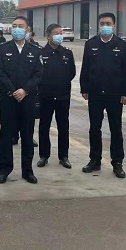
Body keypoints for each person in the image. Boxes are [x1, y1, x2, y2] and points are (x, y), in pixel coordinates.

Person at [79, 12, 126, 178]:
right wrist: (84, 88)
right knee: (94, 128)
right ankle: (95, 160)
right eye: (102, 23)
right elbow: (85, 68)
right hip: (95, 94)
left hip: (115, 94)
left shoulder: (122, 45)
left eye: (108, 23)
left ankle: (117, 163)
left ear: (114, 25)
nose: (105, 26)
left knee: (116, 129)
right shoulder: (91, 44)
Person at [0, 16, 43, 184]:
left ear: (27, 29)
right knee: (6, 135)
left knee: (27, 136)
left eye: (20, 26)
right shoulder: (2, 48)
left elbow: (39, 74)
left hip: (28, 99)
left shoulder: (35, 50)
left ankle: (27, 171)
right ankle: (4, 170)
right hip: (8, 99)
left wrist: (25, 90)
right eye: (14, 25)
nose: (17, 29)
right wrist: (13, 90)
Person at [37, 24, 76, 169]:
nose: (59, 35)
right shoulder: (40, 53)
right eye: (56, 33)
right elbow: (37, 74)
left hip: (62, 96)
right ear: (48, 36)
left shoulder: (67, 53)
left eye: (61, 33)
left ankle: (63, 156)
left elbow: (71, 73)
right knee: (44, 126)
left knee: (63, 126)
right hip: (45, 96)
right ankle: (44, 156)